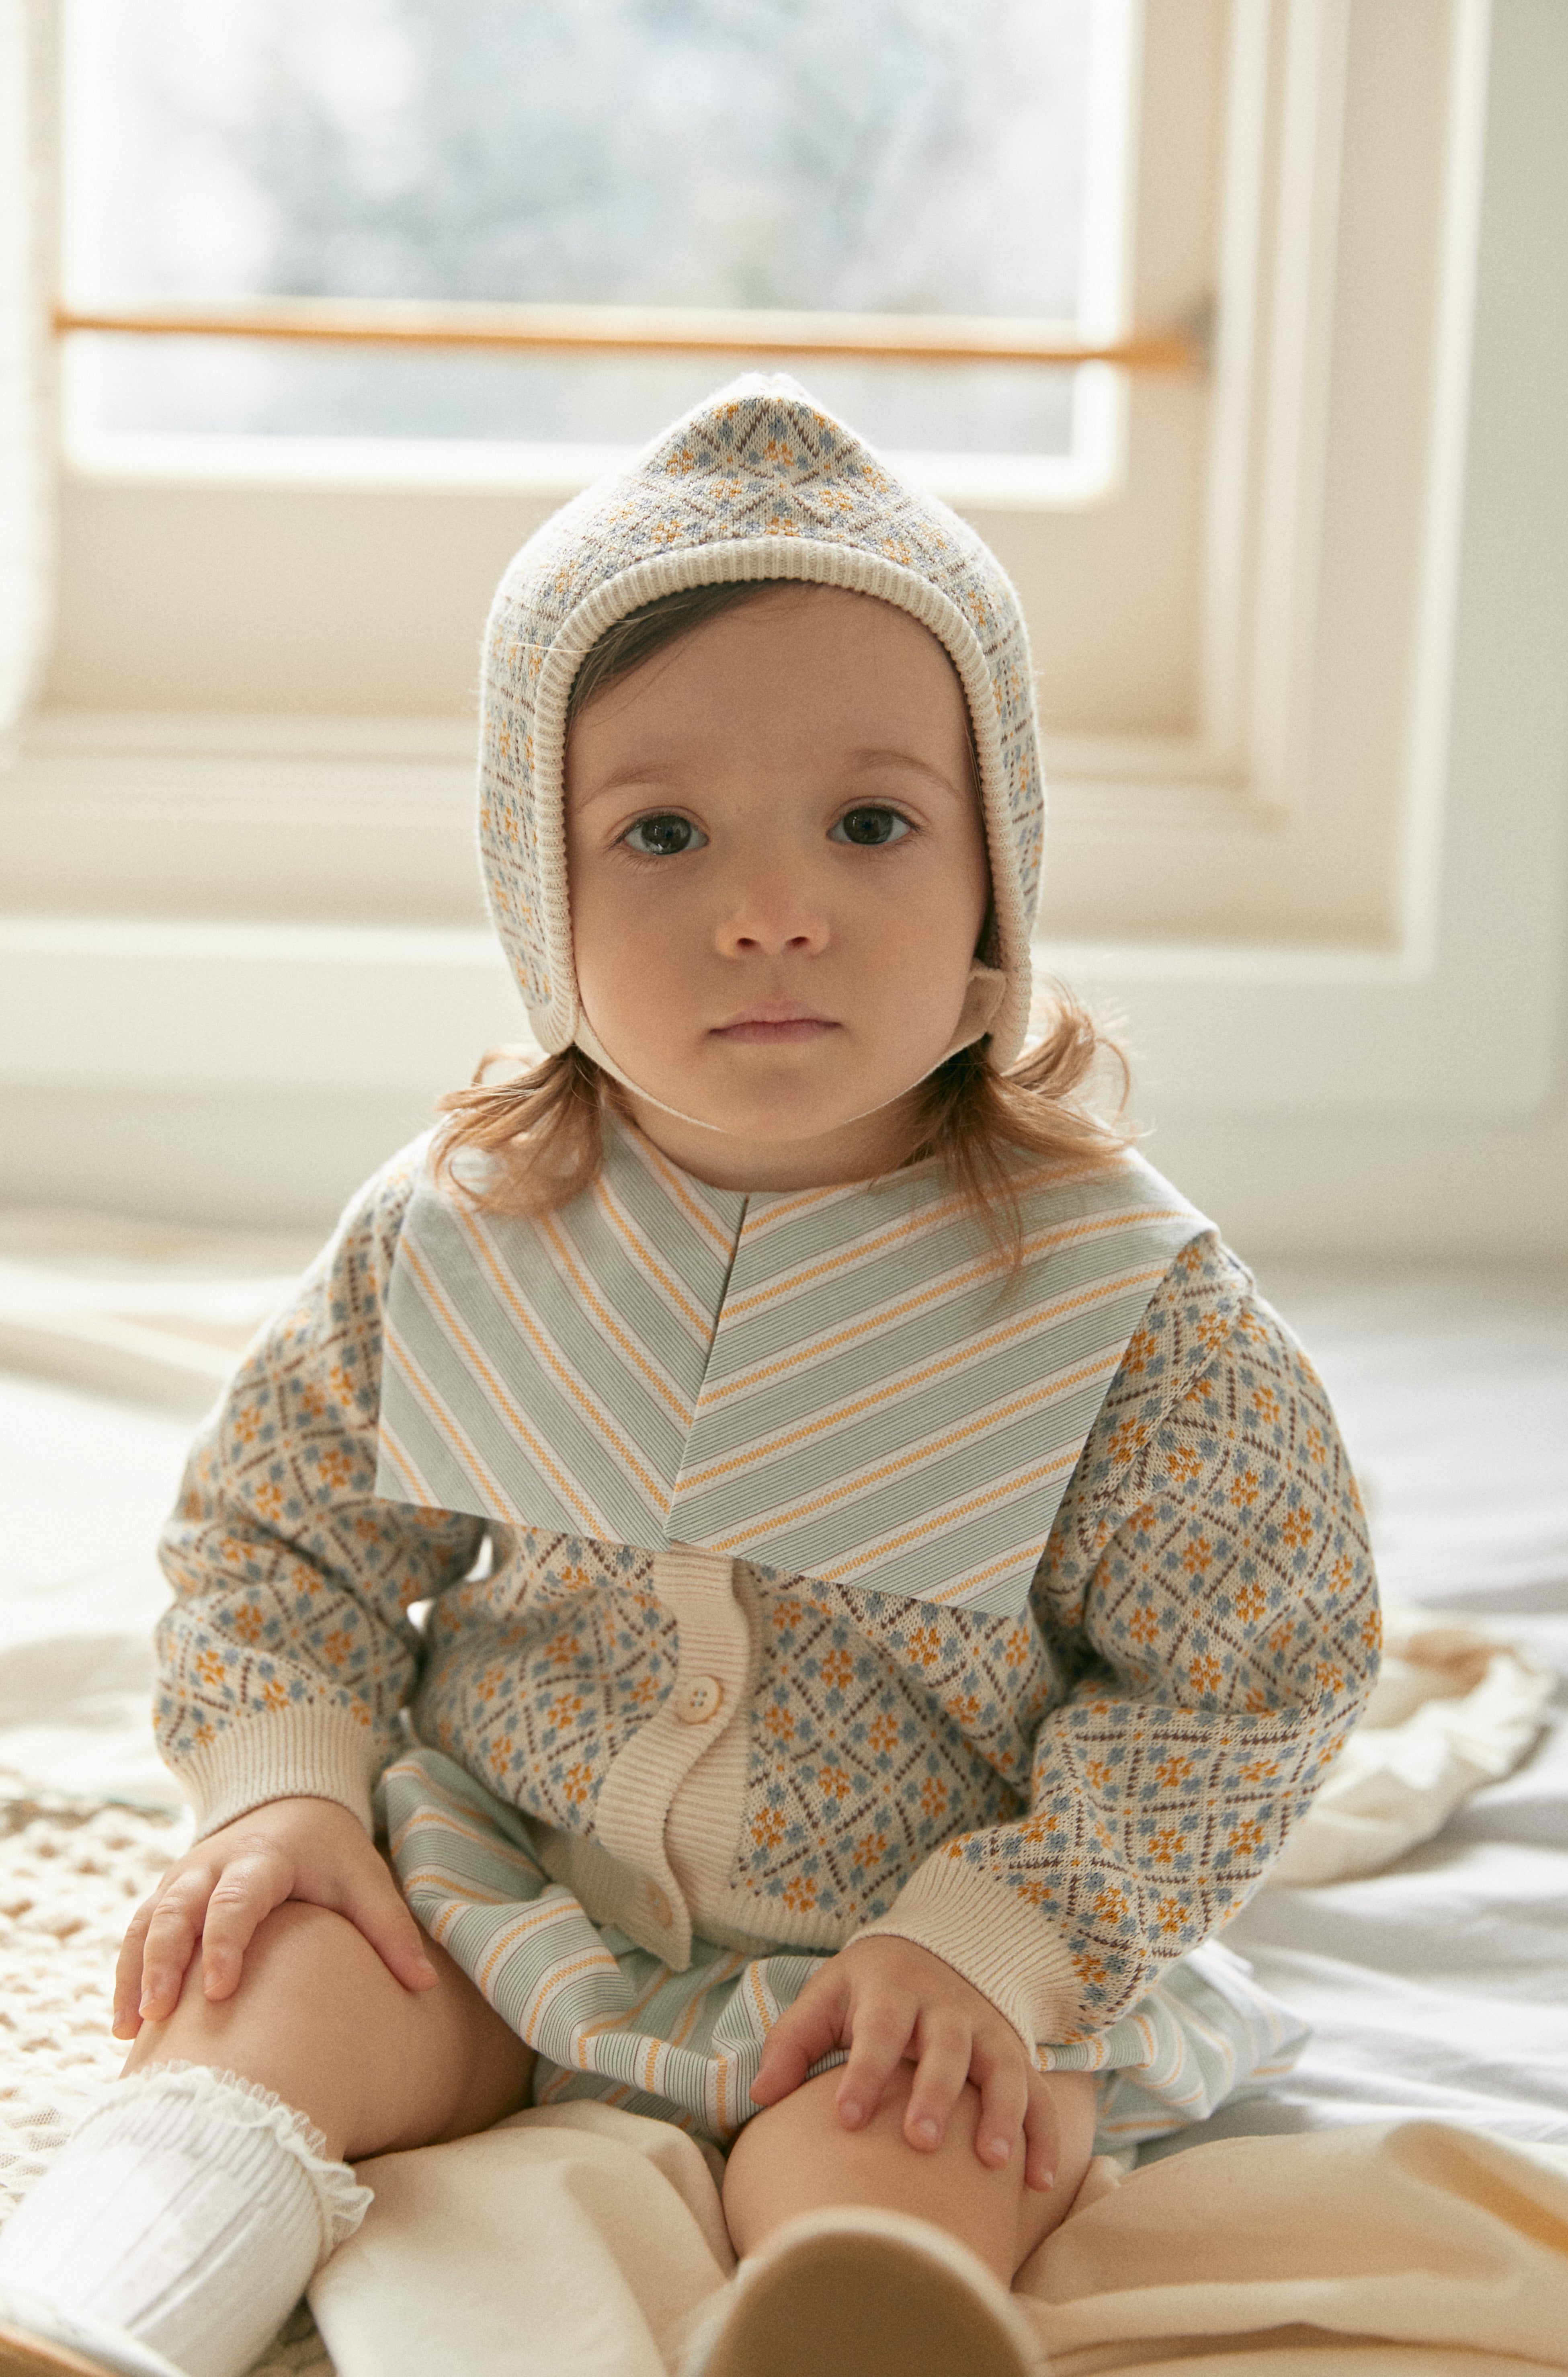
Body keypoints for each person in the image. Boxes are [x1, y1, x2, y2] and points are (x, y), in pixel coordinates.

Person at [0, 378, 1379, 2377]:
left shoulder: (1121, 1311)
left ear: (994, 890)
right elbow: (272, 1532)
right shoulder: (461, 1225)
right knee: (286, 1975)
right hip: (503, 1876)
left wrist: (1000, 1939)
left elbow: (1250, 1671)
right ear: (532, 895)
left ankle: (856, 2317)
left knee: (907, 2138)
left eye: (872, 823)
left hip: (892, 1951)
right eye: (659, 832)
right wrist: (281, 1789)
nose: (769, 908)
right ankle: (114, 2283)